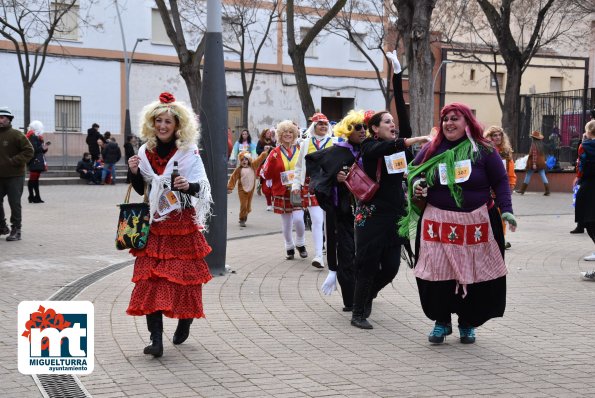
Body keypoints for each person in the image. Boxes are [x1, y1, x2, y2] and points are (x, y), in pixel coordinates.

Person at [400, 102, 516, 344]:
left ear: (467, 123)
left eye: (455, 118)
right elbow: (413, 173)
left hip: (477, 224)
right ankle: (441, 322)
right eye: (445, 119)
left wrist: (507, 211)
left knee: (474, 276)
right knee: (436, 276)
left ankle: (467, 323)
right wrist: (417, 184)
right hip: (437, 224)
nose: (449, 123)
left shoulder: (483, 150)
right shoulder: (432, 148)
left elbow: (501, 181)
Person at [126, 92, 212, 358]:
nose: (162, 126)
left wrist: (189, 185)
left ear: (178, 126)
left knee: (184, 279)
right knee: (150, 280)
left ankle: (185, 319)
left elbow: (203, 187)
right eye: (158, 121)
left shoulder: (188, 153)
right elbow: (142, 186)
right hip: (155, 223)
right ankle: (156, 340)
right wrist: (132, 171)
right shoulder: (144, 151)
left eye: (168, 122)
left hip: (180, 224)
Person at [306, 110, 369, 312]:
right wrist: (336, 180)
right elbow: (315, 166)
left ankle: (366, 292)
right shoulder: (337, 152)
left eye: (365, 127)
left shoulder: (370, 150)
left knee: (368, 257)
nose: (362, 131)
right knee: (347, 255)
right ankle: (350, 300)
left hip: (369, 212)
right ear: (348, 129)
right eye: (357, 127)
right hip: (344, 213)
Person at [292, 112, 335, 269]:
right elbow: (298, 167)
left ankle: (330, 254)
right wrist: (296, 186)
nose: (323, 127)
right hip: (312, 186)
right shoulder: (305, 143)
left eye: (325, 124)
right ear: (314, 126)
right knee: (317, 220)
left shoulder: (335, 142)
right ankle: (318, 255)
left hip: (331, 186)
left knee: (330, 222)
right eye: (320, 124)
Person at [261, 120, 308, 260]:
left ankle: (300, 242)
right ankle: (289, 246)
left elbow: (306, 168)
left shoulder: (300, 149)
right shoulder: (274, 153)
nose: (288, 135)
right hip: (282, 191)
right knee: (286, 223)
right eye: (285, 132)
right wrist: (272, 161)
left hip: (296, 190)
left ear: (294, 134)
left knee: (299, 220)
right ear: (280, 135)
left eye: (290, 132)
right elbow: (266, 173)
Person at [0, 106, 34, 241]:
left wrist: (13, 161)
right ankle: (2, 226)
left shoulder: (16, 134)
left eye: (2, 118)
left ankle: (16, 229)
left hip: (15, 175)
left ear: (8, 120)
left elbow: (29, 151)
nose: (0, 120)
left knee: (14, 202)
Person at [484, 126, 516, 249]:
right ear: (489, 137)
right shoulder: (487, 150)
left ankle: (501, 238)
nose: (497, 137)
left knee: (503, 214)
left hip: (501, 188)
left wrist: (511, 184)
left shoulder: (506, 152)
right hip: (488, 188)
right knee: (488, 215)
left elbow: (511, 171)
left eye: (499, 135)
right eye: (494, 135)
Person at [227, 148, 269, 227]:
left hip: (251, 190)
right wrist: (230, 188)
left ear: (249, 160)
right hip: (242, 190)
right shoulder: (239, 169)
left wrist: (264, 153)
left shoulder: (253, 166)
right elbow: (233, 178)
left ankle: (245, 213)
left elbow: (260, 159)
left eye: (246, 159)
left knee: (248, 206)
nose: (244, 161)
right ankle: (242, 219)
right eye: (242, 159)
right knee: (243, 205)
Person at [576, 120, 595, 278]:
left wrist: (578, 178)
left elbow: (581, 167)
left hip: (589, 188)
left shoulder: (584, 146)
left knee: (589, 224)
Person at [516, 130, 549, 196]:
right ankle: (547, 190)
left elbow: (534, 155)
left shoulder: (534, 145)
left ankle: (522, 190)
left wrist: (534, 164)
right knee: (543, 175)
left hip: (533, 163)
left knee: (528, 175)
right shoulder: (541, 145)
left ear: (534, 138)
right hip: (541, 163)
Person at [25, 120, 50, 203]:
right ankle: (32, 196)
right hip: (34, 160)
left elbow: (41, 151)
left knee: (35, 179)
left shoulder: (38, 137)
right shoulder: (32, 136)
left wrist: (45, 148)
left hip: (38, 160)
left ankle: (36, 196)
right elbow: (34, 149)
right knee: (33, 179)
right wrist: (43, 148)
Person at [256, 128, 275, 209]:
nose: (269, 134)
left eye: (270, 133)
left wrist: (271, 148)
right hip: (263, 163)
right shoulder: (260, 142)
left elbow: (276, 150)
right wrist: (264, 150)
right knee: (263, 181)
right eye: (267, 133)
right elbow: (257, 150)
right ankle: (260, 185)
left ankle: (274, 200)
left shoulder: (272, 142)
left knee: (273, 183)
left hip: (271, 164)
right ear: (264, 133)